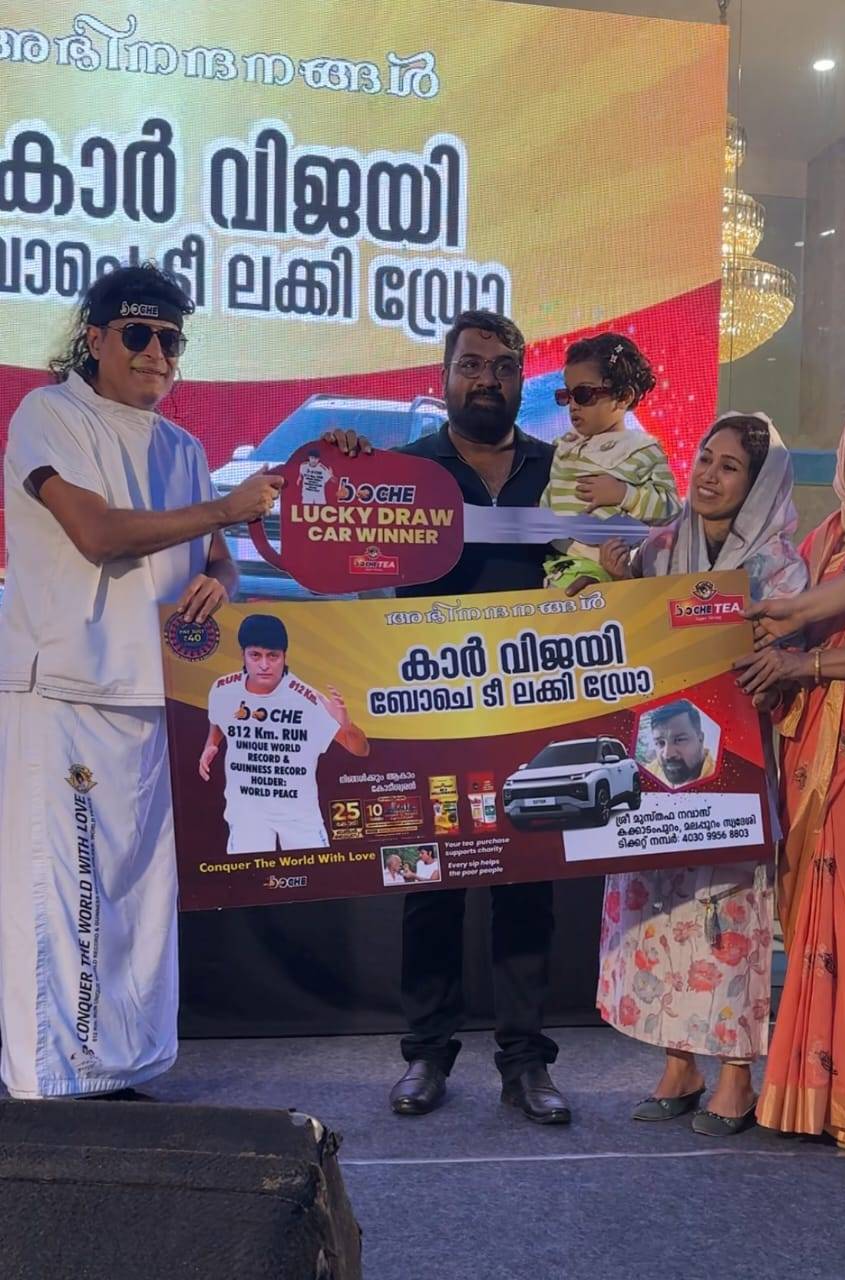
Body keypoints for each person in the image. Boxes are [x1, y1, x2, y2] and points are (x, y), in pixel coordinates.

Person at [0, 262, 283, 1099]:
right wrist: (222, 510)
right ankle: (49, 1082)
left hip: (150, 695)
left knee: (135, 897)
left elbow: (221, 560)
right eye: (138, 334)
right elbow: (95, 533)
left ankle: (116, 1071)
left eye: (171, 339)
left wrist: (218, 581)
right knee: (65, 892)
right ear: (94, 338)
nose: (157, 352)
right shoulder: (49, 415)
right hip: (64, 691)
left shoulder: (183, 448)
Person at [327, 309, 570, 1125]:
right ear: (444, 377)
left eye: (503, 367)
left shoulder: (559, 471)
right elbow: (330, 544)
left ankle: (525, 1063)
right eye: (471, 365)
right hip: (427, 713)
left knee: (526, 887)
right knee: (426, 887)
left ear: (520, 379)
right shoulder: (402, 470)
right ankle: (426, 1056)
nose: (486, 380)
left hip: (532, 712)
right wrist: (344, 470)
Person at [594, 413, 808, 1135]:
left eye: (729, 467)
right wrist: (607, 586)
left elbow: (781, 665)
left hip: (736, 770)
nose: (708, 476)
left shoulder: (781, 569)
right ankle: (679, 1063)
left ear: (759, 483)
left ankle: (736, 1075)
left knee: (728, 915)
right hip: (656, 768)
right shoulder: (657, 551)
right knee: (660, 909)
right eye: (705, 459)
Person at [736, 404, 845, 1153]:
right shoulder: (820, 540)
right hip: (814, 748)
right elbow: (783, 635)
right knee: (818, 914)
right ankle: (817, 1098)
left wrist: (804, 660)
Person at [199, 613, 369, 854]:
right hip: (246, 811)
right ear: (242, 655)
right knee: (250, 875)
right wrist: (211, 744)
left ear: (284, 657)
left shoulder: (308, 701)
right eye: (255, 655)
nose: (264, 665)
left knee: (318, 874)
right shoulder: (223, 689)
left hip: (299, 815)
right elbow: (218, 721)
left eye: (273, 656)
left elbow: (361, 750)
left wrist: (347, 724)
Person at [542, 332, 679, 590]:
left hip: (606, 570)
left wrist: (624, 494)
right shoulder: (564, 446)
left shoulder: (642, 450)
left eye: (583, 394)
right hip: (556, 564)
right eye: (566, 395)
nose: (573, 405)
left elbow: (671, 507)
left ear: (624, 397)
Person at [644, 700, 716, 788]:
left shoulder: (721, 778)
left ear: (700, 739)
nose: (667, 754)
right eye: (660, 743)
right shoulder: (650, 773)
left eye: (679, 740)